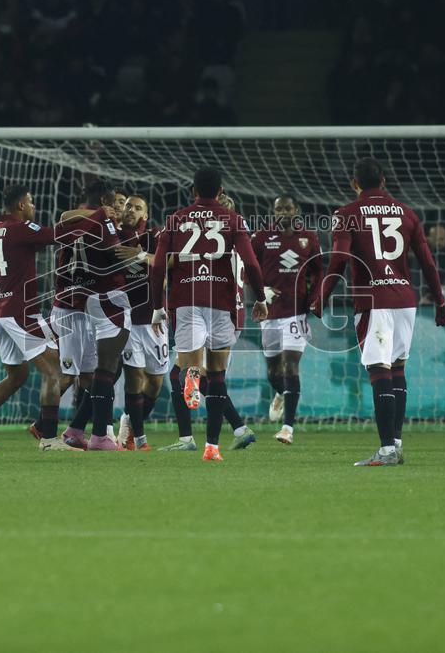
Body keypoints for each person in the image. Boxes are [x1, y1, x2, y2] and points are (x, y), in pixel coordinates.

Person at [311, 160, 445, 466]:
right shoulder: (407, 214)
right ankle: (395, 444)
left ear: (354, 184)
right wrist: (440, 301)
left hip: (373, 300)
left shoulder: (346, 214)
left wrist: (321, 296)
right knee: (397, 368)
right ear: (384, 181)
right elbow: (427, 261)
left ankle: (387, 449)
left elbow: (338, 260)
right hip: (404, 299)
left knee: (379, 371)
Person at [149, 167, 268, 461]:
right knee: (217, 376)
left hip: (187, 299)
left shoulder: (175, 220)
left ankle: (191, 374)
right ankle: (212, 446)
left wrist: (156, 306)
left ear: (193, 191)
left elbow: (158, 267)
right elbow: (252, 264)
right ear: (221, 191)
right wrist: (261, 297)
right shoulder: (233, 219)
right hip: (223, 302)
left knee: (185, 366)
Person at [0, 185, 76, 452]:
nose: (34, 207)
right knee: (54, 371)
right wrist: (90, 219)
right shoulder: (21, 228)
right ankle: (48, 439)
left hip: (1, 311)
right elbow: (58, 236)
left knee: (17, 376)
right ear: (21, 205)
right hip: (21, 311)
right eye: (31, 202)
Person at [57, 180, 130, 450]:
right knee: (104, 369)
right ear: (105, 203)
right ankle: (98, 435)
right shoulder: (104, 223)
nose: (120, 209)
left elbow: (64, 219)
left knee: (98, 371)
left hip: (80, 300)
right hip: (104, 299)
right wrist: (145, 259)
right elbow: (115, 255)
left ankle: (78, 430)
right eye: (117, 203)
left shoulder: (75, 220)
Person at [252, 195, 322, 444]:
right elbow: (249, 269)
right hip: (270, 314)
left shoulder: (309, 238)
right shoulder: (261, 237)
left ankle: (287, 428)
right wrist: (262, 292)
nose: (283, 212)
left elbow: (319, 271)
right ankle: (281, 393)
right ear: (273, 212)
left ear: (296, 210)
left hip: (296, 312)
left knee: (291, 365)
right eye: (278, 208)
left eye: (287, 208)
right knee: (273, 371)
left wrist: (315, 298)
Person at [113, 195, 167, 450]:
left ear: (145, 215)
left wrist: (140, 255)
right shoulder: (112, 236)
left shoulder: (154, 237)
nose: (131, 210)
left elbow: (168, 265)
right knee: (134, 377)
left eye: (137, 208)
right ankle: (139, 438)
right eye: (127, 206)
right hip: (126, 319)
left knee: (156, 381)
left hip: (154, 318)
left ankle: (128, 420)